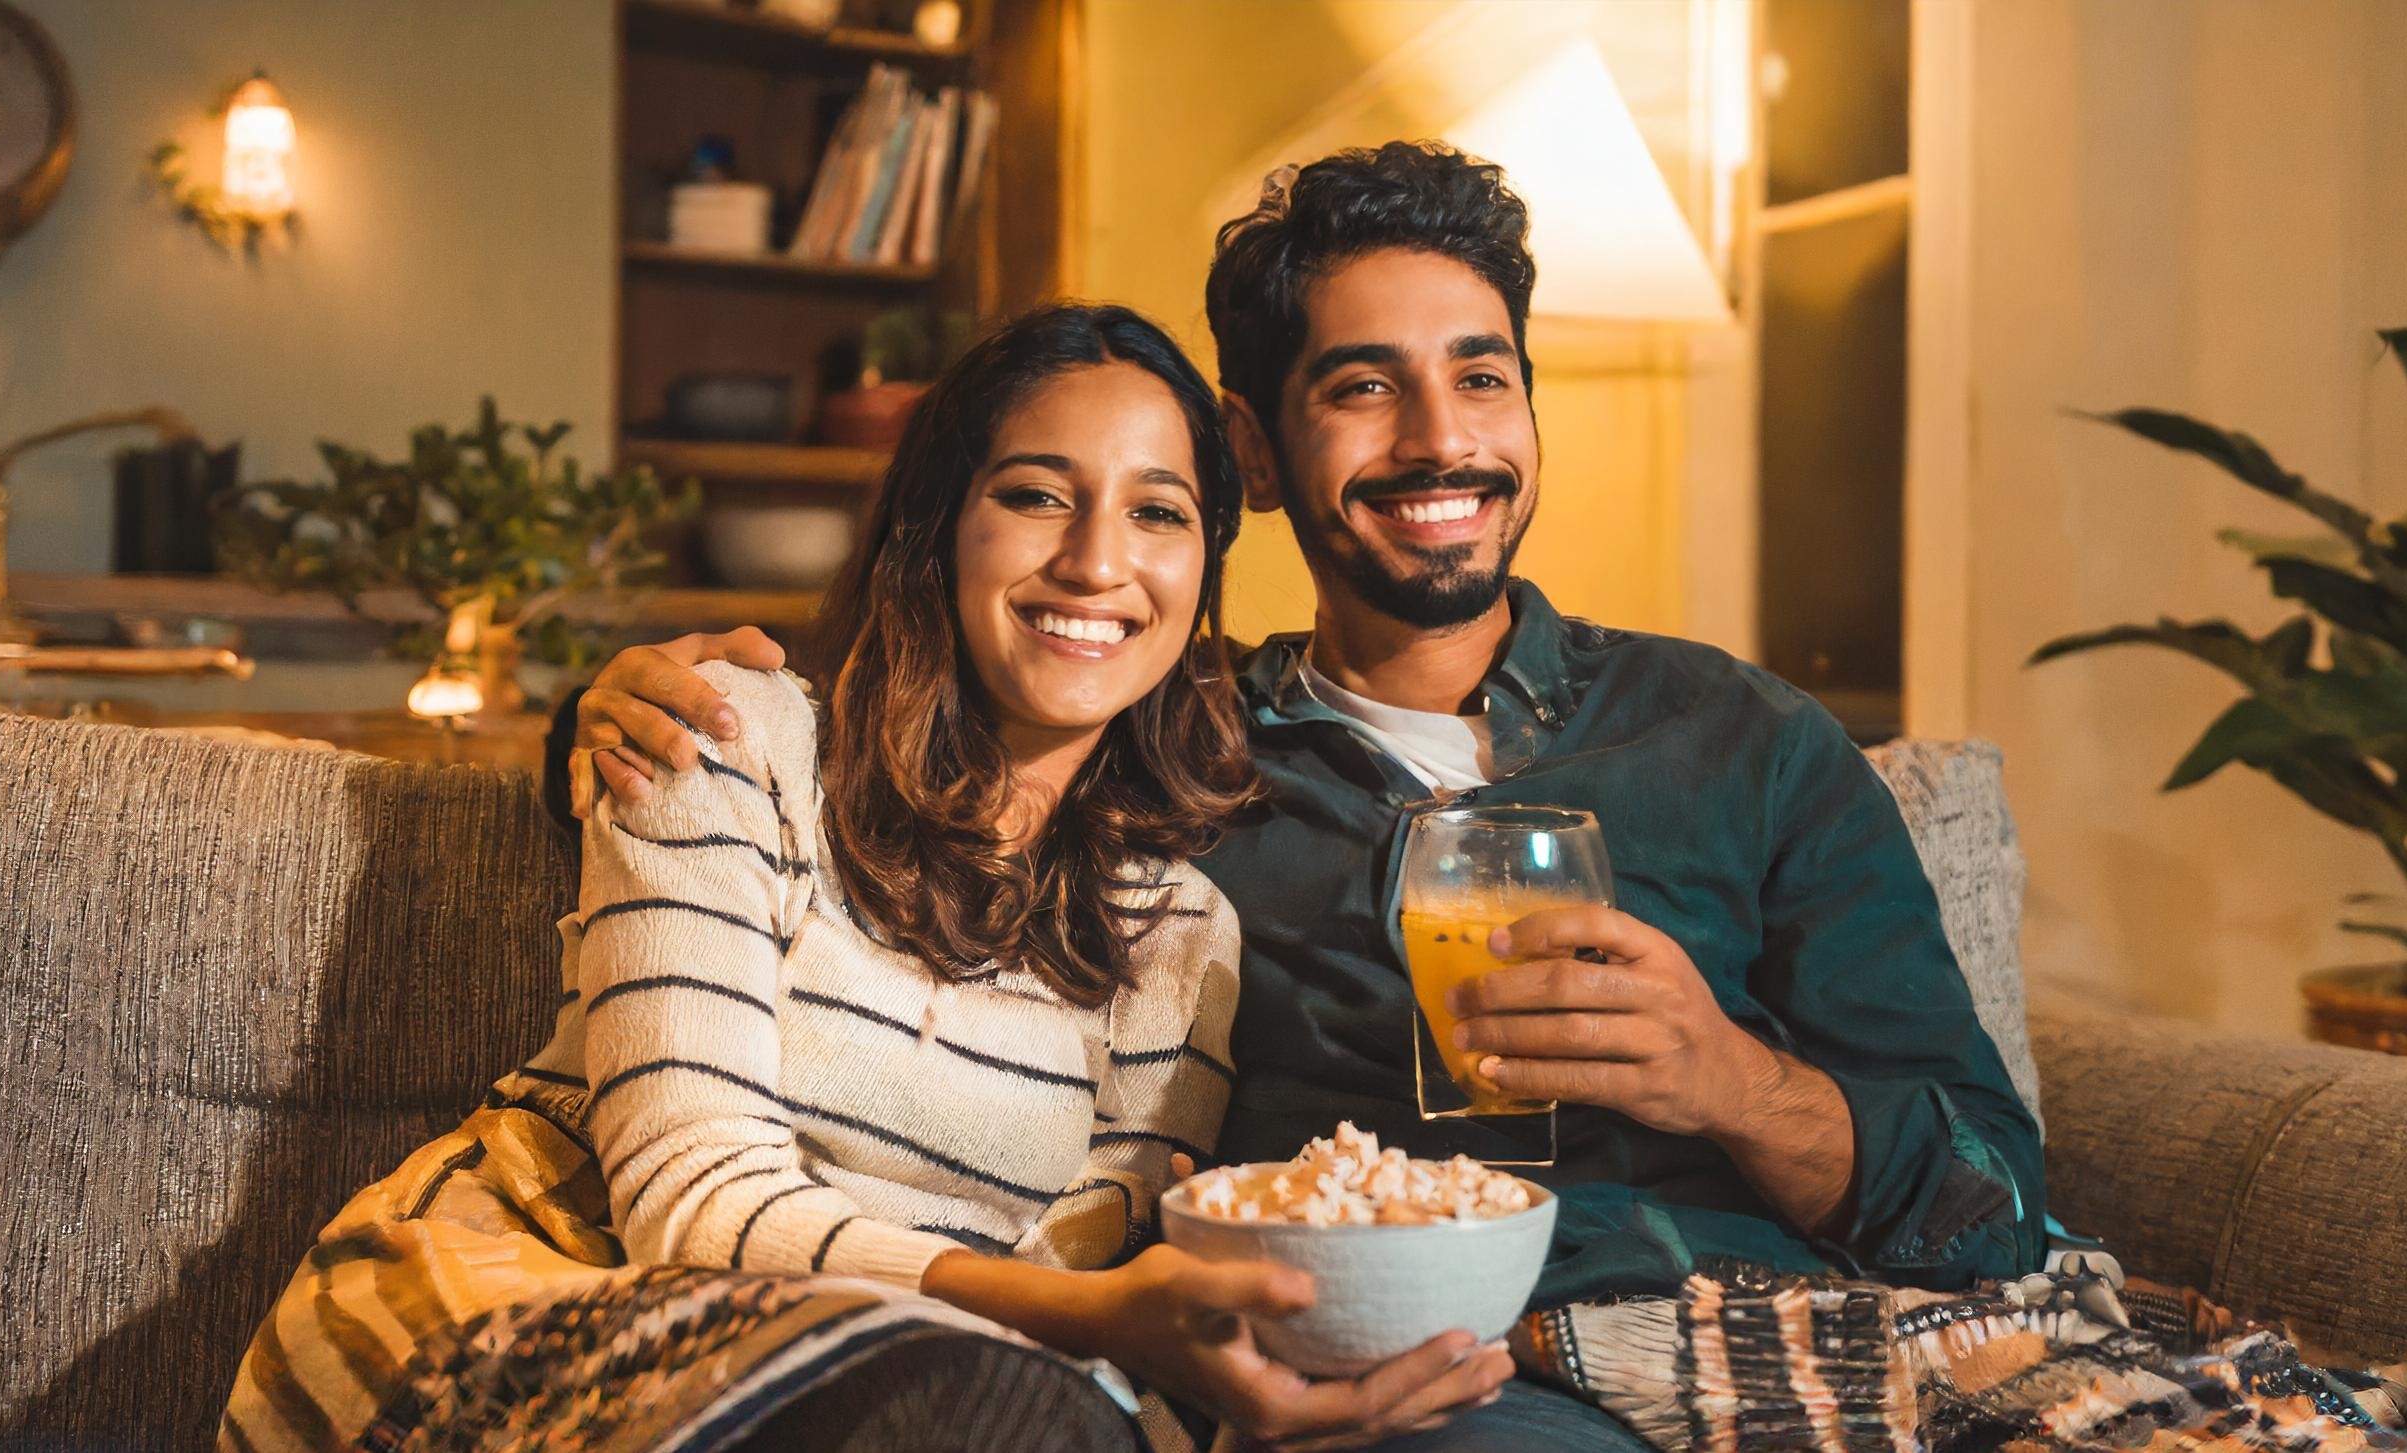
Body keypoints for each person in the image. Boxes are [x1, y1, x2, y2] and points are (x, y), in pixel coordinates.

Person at [561, 143, 2045, 1452]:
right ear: (1257, 453)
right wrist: (600, 714)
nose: (1440, 439)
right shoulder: (1171, 757)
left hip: (1796, 1338)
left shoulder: (1746, 738)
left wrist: (1730, 1078)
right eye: (1363, 387)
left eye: (1480, 373)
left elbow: (1998, 1209)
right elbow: (914, 753)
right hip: (1457, 1389)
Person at [224, 303, 1512, 1453]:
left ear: (1202, 574)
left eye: (1159, 512)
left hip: (922, 1390)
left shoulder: (1181, 933)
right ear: (937, 524)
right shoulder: (730, 737)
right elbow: (694, 1203)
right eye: (1035, 494)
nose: (1095, 562)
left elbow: (1071, 1289)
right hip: (533, 1308)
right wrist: (1090, 1330)